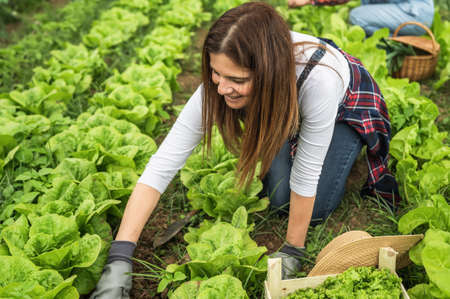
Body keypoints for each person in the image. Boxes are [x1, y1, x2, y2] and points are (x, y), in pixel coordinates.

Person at [90, 2, 400, 297]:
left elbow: (307, 173)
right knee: (279, 199)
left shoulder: (322, 81)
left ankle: (346, 145)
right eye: (216, 73)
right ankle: (289, 133)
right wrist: (120, 255)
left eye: (236, 80)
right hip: (282, 102)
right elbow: (162, 164)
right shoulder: (224, 79)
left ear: (267, 73)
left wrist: (293, 249)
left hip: (341, 109)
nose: (221, 88)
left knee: (313, 209)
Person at [287, 0, 435, 36]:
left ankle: (391, 49)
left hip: (414, 12)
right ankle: (396, 46)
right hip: (407, 10)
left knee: (357, 16)